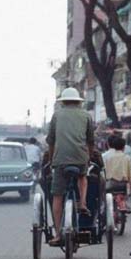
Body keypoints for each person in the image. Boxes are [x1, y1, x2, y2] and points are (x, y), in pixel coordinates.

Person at [46, 87, 94, 243]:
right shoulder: (86, 115)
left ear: (63, 102)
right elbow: (90, 141)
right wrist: (89, 157)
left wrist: (52, 159)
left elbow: (51, 141)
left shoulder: (56, 115)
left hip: (60, 160)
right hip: (80, 158)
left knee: (57, 195)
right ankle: (83, 203)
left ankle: (58, 234)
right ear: (78, 102)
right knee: (82, 177)